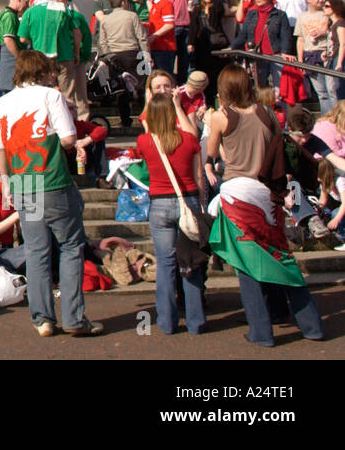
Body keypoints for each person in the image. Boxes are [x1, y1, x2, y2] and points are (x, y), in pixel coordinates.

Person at [207, 64, 324, 346]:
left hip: (238, 193)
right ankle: (312, 326)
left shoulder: (221, 117)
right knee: (281, 256)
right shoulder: (267, 111)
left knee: (247, 265)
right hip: (268, 192)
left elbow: (211, 153)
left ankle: (261, 332)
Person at [0, 50, 101, 337]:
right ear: (41, 72)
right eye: (50, 71)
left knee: (37, 251)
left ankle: (42, 319)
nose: (54, 75)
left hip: (22, 182)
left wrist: (6, 182)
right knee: (70, 247)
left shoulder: (1, 103)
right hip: (52, 180)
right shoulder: (50, 96)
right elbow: (68, 139)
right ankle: (75, 318)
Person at [138, 88, 207, 335]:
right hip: (187, 201)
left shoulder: (145, 142)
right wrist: (177, 105)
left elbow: (146, 127)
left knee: (166, 264)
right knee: (190, 264)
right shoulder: (188, 140)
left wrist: (149, 103)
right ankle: (196, 321)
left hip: (159, 203)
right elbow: (199, 176)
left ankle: (166, 321)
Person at [233, 0, 294, 87]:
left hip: (275, 54)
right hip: (257, 55)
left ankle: (278, 103)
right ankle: (262, 104)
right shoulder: (251, 14)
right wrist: (232, 47)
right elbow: (243, 34)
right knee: (259, 86)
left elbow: (285, 36)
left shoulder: (280, 15)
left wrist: (285, 52)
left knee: (279, 87)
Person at [295, 0, 334, 112]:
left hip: (326, 53)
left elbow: (337, 30)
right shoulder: (302, 17)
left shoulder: (327, 13)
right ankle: (327, 120)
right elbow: (300, 39)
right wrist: (300, 60)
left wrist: (323, 32)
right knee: (321, 92)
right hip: (310, 56)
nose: (321, 0)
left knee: (332, 90)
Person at [0, 0, 28, 95]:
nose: (27, 5)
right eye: (26, 2)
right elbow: (8, 40)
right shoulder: (9, 16)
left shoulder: (5, 14)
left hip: (8, 57)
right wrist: (19, 58)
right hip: (10, 59)